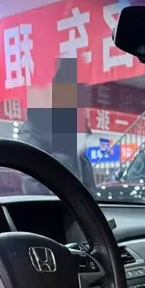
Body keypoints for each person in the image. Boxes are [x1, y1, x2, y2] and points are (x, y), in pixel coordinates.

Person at [19, 57, 96, 195]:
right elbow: (34, 186)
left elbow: (86, 182)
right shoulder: (34, 131)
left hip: (78, 206)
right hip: (57, 207)